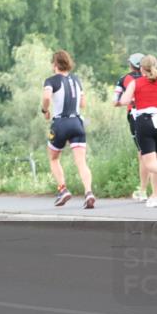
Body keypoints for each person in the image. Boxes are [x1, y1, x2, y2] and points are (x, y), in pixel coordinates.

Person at [116, 54, 157, 208]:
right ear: (155, 66)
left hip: (145, 122)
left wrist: (134, 98)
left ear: (141, 68)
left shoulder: (136, 83)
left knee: (150, 163)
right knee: (155, 160)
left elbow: (123, 101)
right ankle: (155, 197)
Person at [41, 50, 95, 209]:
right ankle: (89, 192)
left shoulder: (51, 81)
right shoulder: (76, 80)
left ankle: (63, 189)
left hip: (60, 123)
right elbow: (83, 103)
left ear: (55, 64)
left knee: (53, 158)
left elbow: (46, 98)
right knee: (81, 162)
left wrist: (45, 110)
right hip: (77, 123)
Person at [113, 53, 150, 201]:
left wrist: (124, 101)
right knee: (152, 153)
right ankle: (151, 191)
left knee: (143, 153)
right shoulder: (153, 77)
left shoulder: (124, 79)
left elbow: (115, 100)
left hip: (136, 116)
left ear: (131, 65)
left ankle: (143, 190)